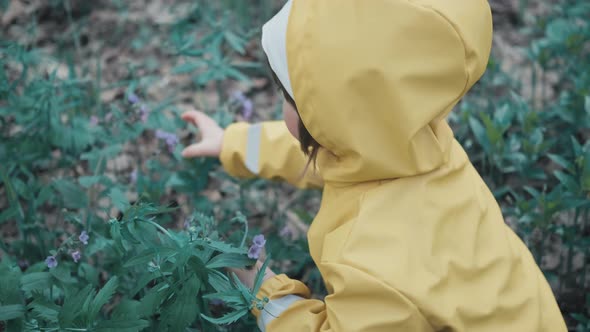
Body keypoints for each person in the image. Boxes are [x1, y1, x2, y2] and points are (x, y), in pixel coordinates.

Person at [180, 0, 567, 331]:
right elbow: (335, 150)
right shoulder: (423, 146)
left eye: (291, 97)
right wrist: (232, 142)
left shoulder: (376, 265)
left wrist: (259, 286)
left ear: (334, 118)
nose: (285, 107)